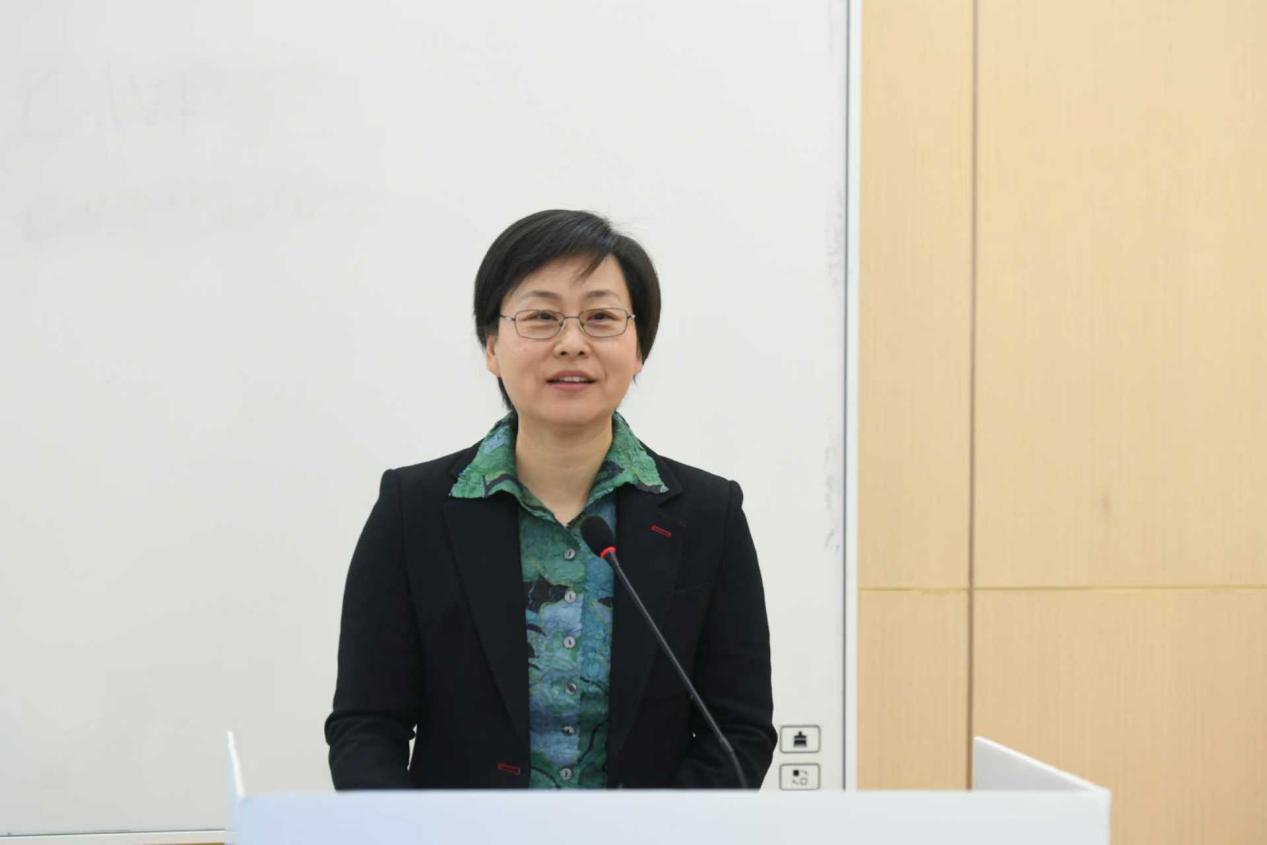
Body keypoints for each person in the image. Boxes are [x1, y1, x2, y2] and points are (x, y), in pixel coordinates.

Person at [324, 209, 775, 789]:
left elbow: (738, 732)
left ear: (639, 348)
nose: (571, 343)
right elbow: (366, 727)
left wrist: (657, 832)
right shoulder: (414, 510)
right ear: (492, 346)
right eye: (541, 317)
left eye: (601, 317)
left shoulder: (708, 515)